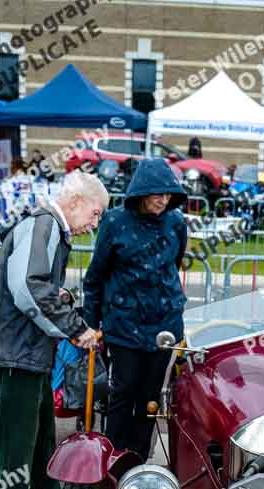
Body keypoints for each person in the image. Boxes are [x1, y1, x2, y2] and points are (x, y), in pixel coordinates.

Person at [0, 171, 109, 489]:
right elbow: (28, 286)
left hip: (22, 346)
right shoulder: (45, 225)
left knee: (37, 423)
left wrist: (62, 304)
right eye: (95, 213)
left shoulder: (45, 225)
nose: (94, 223)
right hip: (16, 348)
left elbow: (31, 286)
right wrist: (75, 328)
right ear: (75, 201)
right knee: (18, 430)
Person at [83, 158, 188, 462]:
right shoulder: (115, 222)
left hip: (164, 327)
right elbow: (95, 277)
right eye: (158, 194)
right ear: (142, 192)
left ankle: (139, 459)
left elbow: (174, 263)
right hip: (123, 325)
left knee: (150, 397)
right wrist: (91, 323)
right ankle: (113, 455)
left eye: (168, 195)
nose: (164, 199)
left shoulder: (176, 223)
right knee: (123, 390)